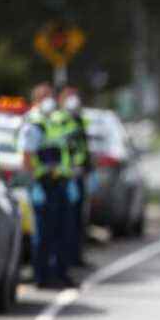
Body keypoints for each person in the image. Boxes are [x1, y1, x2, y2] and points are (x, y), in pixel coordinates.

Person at [18, 83, 76, 288]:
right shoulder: (33, 124)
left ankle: (60, 273)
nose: (49, 100)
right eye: (44, 97)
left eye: (50, 96)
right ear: (36, 100)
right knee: (44, 234)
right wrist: (34, 184)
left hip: (59, 183)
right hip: (44, 185)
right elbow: (27, 157)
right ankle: (41, 276)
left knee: (63, 231)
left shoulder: (52, 121)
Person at [58, 86, 92, 267]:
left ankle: (77, 257)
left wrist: (89, 170)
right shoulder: (60, 121)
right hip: (68, 177)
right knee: (68, 222)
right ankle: (68, 259)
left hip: (80, 176)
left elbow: (84, 149)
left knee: (79, 220)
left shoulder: (79, 120)